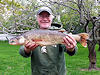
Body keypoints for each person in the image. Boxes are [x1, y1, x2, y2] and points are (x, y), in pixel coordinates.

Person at [19, 7, 77, 75]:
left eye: (47, 16)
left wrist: (71, 48)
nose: (45, 19)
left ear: (52, 18)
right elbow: (22, 52)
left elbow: (72, 51)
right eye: (41, 16)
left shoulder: (59, 33)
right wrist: (27, 49)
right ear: (37, 18)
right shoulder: (32, 34)